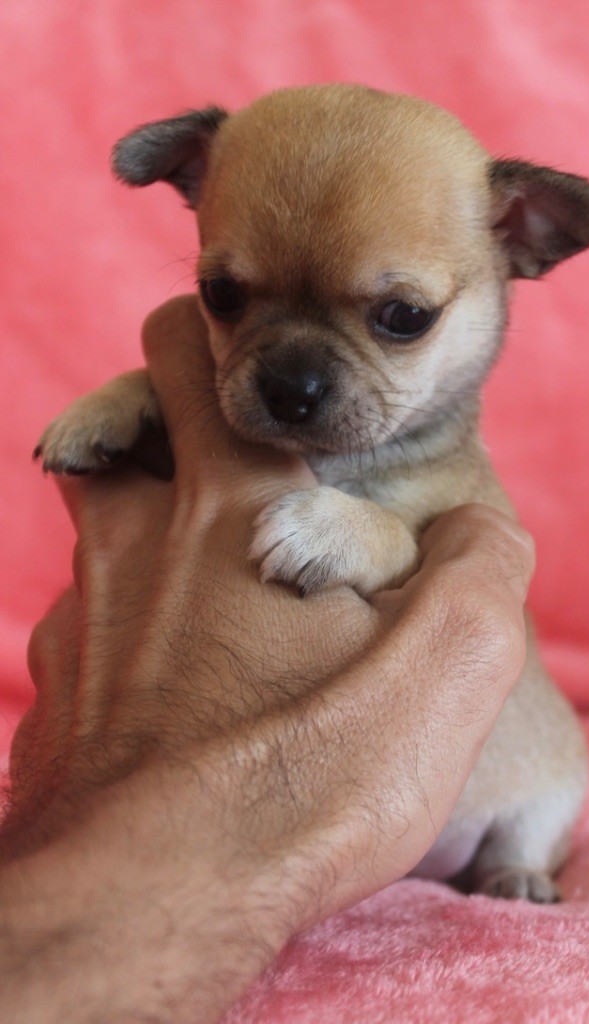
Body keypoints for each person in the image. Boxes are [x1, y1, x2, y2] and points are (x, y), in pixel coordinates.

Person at [0, 297, 535, 1024]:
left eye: (398, 317)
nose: (296, 379)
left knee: (532, 827)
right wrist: (134, 397)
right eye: (229, 296)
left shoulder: (441, 466)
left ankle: (523, 855)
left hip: (484, 794)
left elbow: (423, 562)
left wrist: (374, 535)